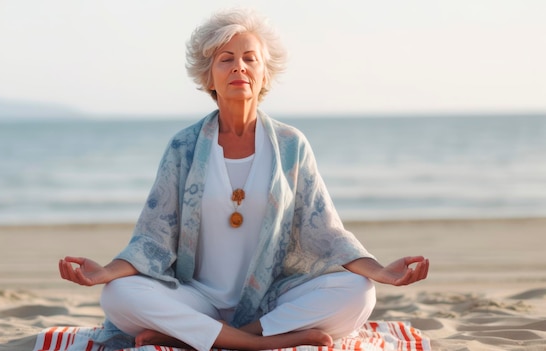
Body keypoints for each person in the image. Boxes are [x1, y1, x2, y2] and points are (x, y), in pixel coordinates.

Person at [59, 8, 429, 351]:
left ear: (265, 73)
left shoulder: (290, 145)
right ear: (209, 76)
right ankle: (258, 344)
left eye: (250, 58)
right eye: (226, 59)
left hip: (271, 299)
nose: (240, 67)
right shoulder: (184, 147)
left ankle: (207, 338)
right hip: (195, 298)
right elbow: (153, 237)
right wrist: (105, 272)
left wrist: (380, 271)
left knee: (359, 292)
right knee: (117, 295)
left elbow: (326, 232)